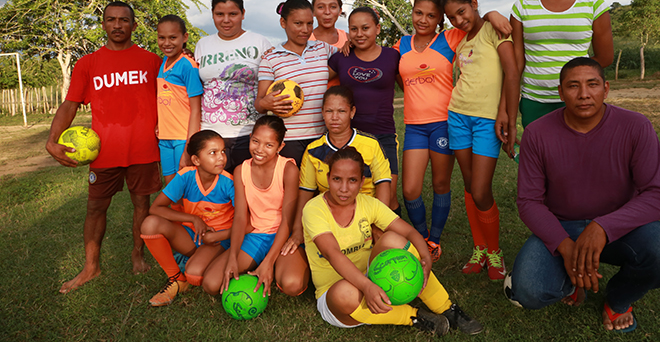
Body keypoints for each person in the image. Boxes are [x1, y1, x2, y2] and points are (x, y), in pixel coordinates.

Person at [507, 57, 660, 333]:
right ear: (560, 92)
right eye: (573, 86)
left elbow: (658, 196)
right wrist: (567, 249)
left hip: (620, 226)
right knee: (528, 291)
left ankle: (618, 299)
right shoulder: (537, 133)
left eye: (592, 85)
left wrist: (603, 226)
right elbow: (529, 202)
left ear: (605, 88)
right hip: (563, 226)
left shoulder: (636, 126)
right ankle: (571, 281)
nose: (583, 94)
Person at [45, 1, 163, 293]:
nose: (118, 25)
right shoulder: (88, 64)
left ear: (134, 26)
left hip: (143, 148)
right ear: (103, 25)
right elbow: (70, 104)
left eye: (124, 20)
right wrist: (52, 140)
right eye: (111, 19)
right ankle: (91, 267)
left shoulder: (153, 62)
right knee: (96, 207)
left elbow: (170, 98)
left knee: (142, 205)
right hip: (103, 152)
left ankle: (138, 254)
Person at [303, 147, 483, 335]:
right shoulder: (314, 209)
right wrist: (366, 287)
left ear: (362, 181)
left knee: (394, 238)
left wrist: (425, 257)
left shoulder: (367, 203)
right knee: (344, 294)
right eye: (337, 179)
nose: (344, 188)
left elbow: (409, 232)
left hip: (371, 277)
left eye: (352, 180)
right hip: (336, 292)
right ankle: (413, 316)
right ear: (328, 177)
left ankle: (447, 308)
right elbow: (333, 254)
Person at [396, 0, 514, 262]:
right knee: (411, 189)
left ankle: (435, 240)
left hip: (444, 122)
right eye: (418, 13)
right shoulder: (400, 44)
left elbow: (477, 26)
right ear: (412, 12)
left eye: (431, 16)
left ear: (440, 21)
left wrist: (492, 14)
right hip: (417, 125)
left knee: (442, 183)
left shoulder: (451, 37)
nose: (423, 19)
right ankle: (421, 236)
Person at [274, 85, 392, 296]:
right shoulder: (313, 150)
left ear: (352, 112)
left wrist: (377, 225)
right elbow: (305, 192)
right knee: (292, 283)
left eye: (341, 111)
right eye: (329, 111)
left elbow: (384, 184)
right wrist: (298, 231)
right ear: (322, 113)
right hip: (330, 222)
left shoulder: (371, 144)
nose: (334, 117)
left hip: (367, 217)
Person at [442, 0, 520, 281]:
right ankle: (479, 249)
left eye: (461, 12)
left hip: (487, 120)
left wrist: (506, 115)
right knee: (470, 186)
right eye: (452, 17)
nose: (459, 21)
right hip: (457, 116)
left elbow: (512, 73)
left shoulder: (493, 29)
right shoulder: (462, 42)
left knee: (482, 189)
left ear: (473, 4)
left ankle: (495, 252)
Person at [510, 0, 613, 128]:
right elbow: (516, 67)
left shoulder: (593, 5)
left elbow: (605, 57)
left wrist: (573, 82)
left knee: (580, 156)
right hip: (534, 101)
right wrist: (510, 112)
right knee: (541, 157)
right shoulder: (522, 7)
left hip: (579, 100)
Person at [201, 116, 299, 297]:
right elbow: (240, 217)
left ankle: (272, 264)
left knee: (292, 285)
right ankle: (260, 263)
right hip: (256, 236)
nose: (260, 150)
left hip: (283, 236)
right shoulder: (241, 170)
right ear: (250, 138)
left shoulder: (288, 169)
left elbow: (287, 220)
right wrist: (232, 257)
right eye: (255, 141)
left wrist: (269, 261)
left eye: (269, 145)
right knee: (211, 284)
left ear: (280, 147)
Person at [140, 130, 234, 306]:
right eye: (213, 153)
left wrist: (218, 236)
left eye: (222, 151)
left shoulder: (229, 182)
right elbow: (156, 208)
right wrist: (193, 219)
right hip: (193, 234)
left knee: (194, 273)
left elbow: (245, 221)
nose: (221, 158)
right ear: (196, 160)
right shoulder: (185, 176)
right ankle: (176, 278)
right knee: (149, 224)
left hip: (218, 239)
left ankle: (205, 261)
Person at [329, 7, 401, 216]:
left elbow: (409, 86)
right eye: (354, 29)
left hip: (384, 135)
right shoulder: (342, 58)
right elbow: (315, 78)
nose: (359, 34)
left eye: (365, 28)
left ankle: (394, 240)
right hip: (351, 137)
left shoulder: (392, 56)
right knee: (352, 193)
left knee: (388, 196)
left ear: (377, 29)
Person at [195, 0, 272, 171]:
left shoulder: (260, 42)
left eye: (233, 14)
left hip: (248, 135)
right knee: (215, 195)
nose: (226, 20)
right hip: (210, 136)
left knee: (245, 193)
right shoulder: (202, 45)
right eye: (219, 14)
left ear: (243, 14)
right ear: (212, 14)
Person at [255, 0, 337, 165]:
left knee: (321, 189)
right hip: (290, 138)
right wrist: (266, 104)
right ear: (283, 23)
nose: (305, 29)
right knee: (293, 188)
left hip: (323, 136)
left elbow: (349, 56)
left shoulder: (322, 48)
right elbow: (259, 103)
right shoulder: (271, 59)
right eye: (298, 23)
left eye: (309, 23)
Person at [155, 15, 202, 184]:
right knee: (170, 188)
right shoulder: (164, 62)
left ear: (185, 37)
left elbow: (196, 108)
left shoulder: (188, 65)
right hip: (165, 138)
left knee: (186, 188)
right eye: (162, 38)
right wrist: (160, 124)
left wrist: (189, 147)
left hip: (183, 138)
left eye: (173, 37)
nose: (166, 43)